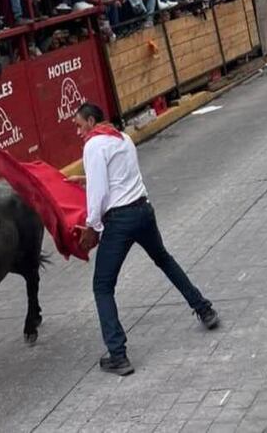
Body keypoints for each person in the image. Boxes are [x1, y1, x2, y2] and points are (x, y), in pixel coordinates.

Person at [72, 103, 219, 376]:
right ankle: (204, 309)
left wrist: (92, 226)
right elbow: (118, 178)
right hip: (142, 210)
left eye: (80, 125)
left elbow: (100, 193)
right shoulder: (123, 138)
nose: (78, 132)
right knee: (163, 259)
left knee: (102, 286)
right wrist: (88, 179)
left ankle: (118, 354)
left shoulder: (93, 146)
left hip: (119, 220)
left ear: (91, 121)